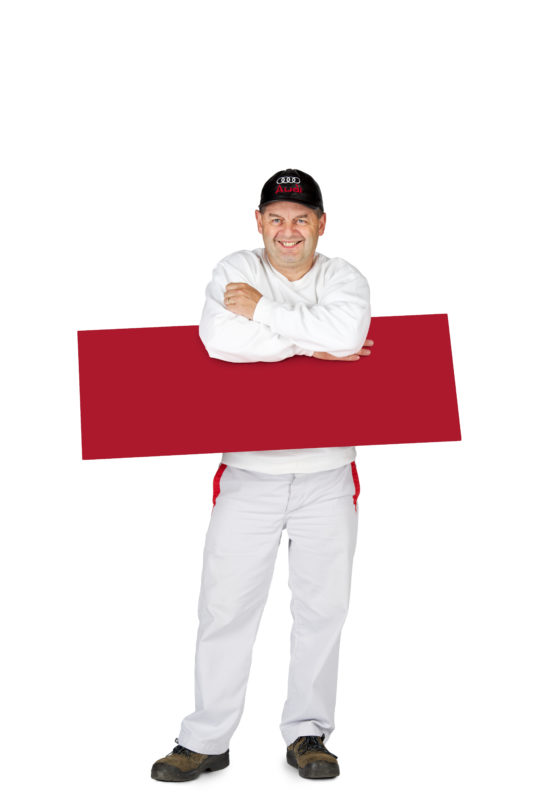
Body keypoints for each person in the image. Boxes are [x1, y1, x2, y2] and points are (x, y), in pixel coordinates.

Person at [151, 168, 372, 782]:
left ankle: (309, 734)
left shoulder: (343, 277)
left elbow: (348, 332)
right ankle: (206, 738)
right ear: (259, 223)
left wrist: (267, 316)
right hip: (248, 471)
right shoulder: (234, 268)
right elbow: (220, 340)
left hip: (329, 471)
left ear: (320, 224)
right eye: (276, 217)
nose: (288, 230)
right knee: (225, 607)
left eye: (301, 218)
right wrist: (313, 345)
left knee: (323, 609)